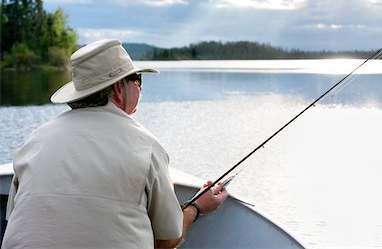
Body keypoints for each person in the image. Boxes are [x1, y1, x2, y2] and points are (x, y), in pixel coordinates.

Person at [2, 39, 228, 248]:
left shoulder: (35, 140)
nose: (140, 88)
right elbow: (166, 240)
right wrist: (196, 208)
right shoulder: (145, 146)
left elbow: (15, 218)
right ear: (119, 88)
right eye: (137, 80)